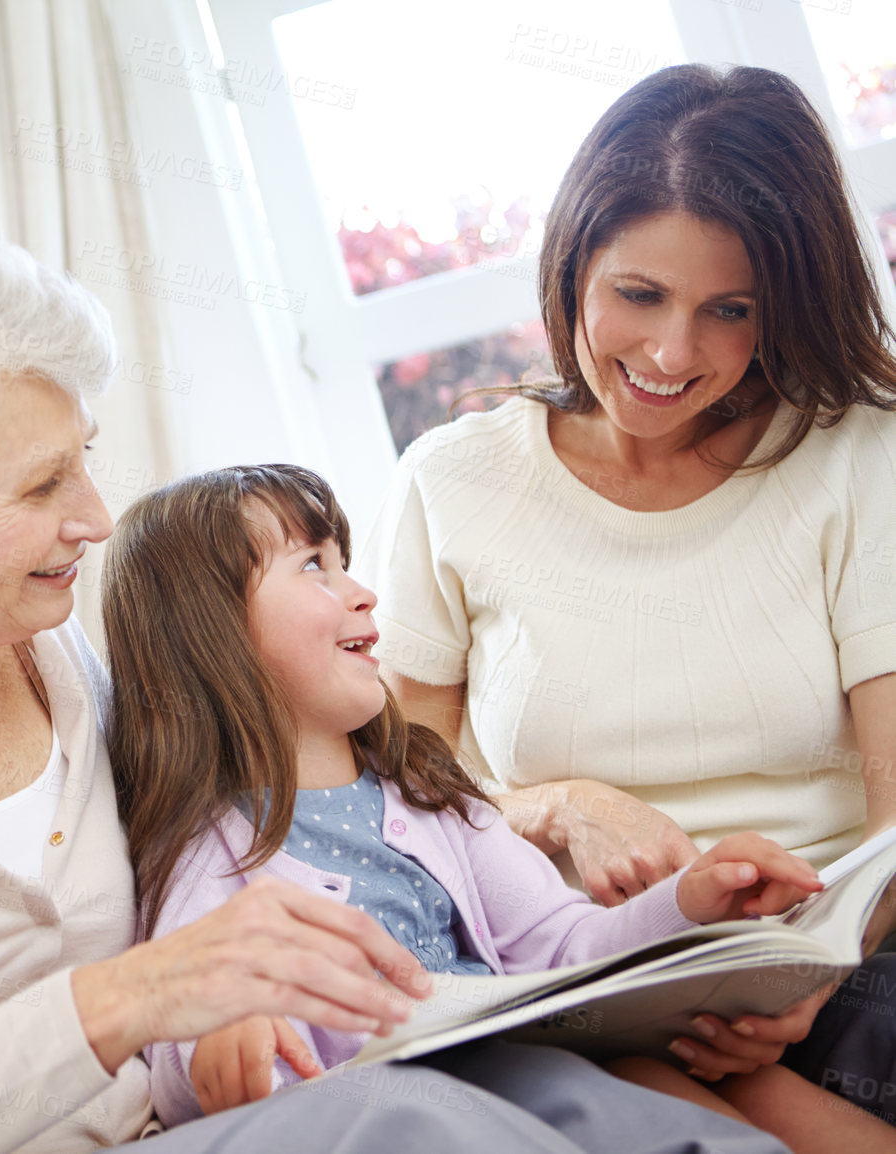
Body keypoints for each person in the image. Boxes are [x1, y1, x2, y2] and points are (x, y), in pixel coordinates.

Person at [0, 236, 641, 1154]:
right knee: (418, 1121)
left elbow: (282, 800)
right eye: (39, 485)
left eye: (82, 462)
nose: (96, 518)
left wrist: (545, 809)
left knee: (552, 1090)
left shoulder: (57, 664)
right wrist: (128, 998)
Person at [354, 63, 896, 1125]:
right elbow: (400, 797)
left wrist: (809, 976)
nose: (670, 352)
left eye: (728, 310)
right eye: (638, 294)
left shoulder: (855, 457)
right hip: (586, 963)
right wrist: (561, 804)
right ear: (571, 268)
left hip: (845, 939)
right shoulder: (452, 480)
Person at [101, 461, 858, 1152]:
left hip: (505, 1069)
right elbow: (179, 1029)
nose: (360, 591)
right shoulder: (204, 851)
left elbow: (566, 952)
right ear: (211, 634)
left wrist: (688, 902)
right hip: (381, 1118)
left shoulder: (429, 796)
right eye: (312, 567)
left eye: (344, 562)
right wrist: (215, 1045)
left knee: (639, 1101)